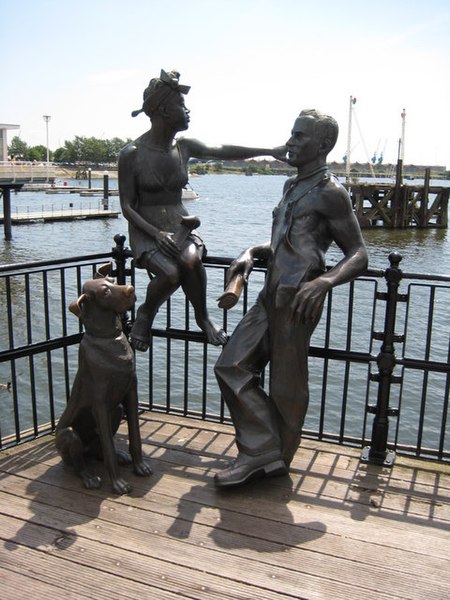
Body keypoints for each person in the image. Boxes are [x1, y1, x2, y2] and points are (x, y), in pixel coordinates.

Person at [214, 109, 368, 487]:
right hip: (270, 294)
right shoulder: (290, 187)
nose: (292, 142)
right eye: (292, 134)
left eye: (300, 136)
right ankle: (264, 450)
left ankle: (268, 456)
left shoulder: (331, 194)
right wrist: (251, 252)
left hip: (298, 298)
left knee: (287, 384)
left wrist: (325, 282)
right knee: (230, 365)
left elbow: (359, 254)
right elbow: (286, 243)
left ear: (323, 145)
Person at [119, 69, 285, 351]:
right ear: (163, 110)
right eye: (181, 106)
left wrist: (269, 150)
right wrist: (156, 234)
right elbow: (127, 206)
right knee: (170, 274)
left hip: (180, 223)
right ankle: (145, 313)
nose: (187, 111)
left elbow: (222, 149)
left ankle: (203, 317)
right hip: (146, 229)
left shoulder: (184, 147)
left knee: (192, 261)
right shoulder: (132, 154)